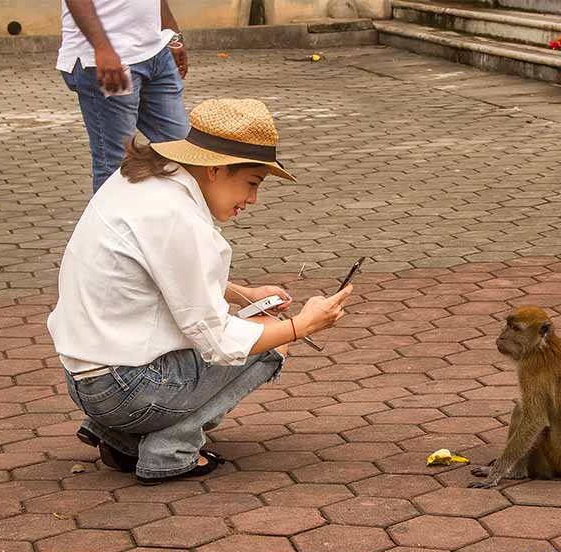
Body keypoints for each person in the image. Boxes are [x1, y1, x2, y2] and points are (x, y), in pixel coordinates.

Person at [47, 99, 354, 485]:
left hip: (84, 379)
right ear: (216, 170)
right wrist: (302, 325)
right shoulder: (182, 221)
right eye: (252, 183)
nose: (253, 200)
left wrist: (243, 293)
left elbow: (158, 275)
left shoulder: (140, 181)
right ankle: (170, 450)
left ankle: (118, 436)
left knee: (249, 322)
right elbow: (220, 343)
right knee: (267, 340)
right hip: (126, 390)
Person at [58, 0, 191, 193]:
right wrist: (102, 49)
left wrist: (171, 34)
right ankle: (111, 222)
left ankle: (173, 220)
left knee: (182, 151)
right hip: (111, 62)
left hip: (156, 52)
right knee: (117, 166)